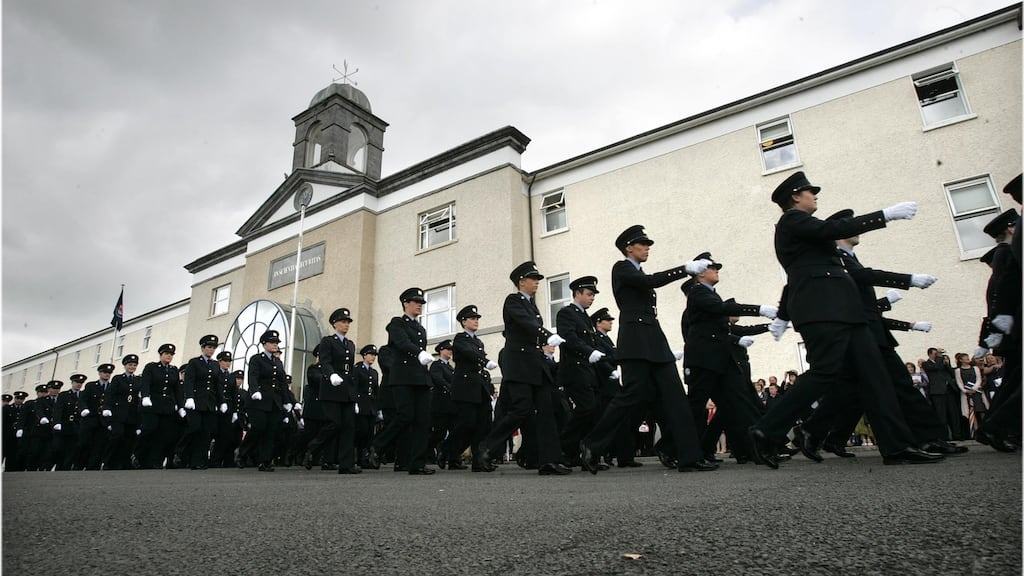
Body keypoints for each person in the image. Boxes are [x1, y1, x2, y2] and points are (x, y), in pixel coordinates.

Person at [750, 171, 941, 467]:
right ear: (795, 197)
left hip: (845, 311)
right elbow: (828, 235)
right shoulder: (792, 220)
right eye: (809, 192)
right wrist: (884, 215)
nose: (815, 196)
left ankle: (896, 446)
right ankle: (767, 428)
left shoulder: (807, 232)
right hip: (822, 310)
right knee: (825, 373)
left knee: (875, 378)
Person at [581, 225, 718, 473]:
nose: (647, 248)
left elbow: (648, 282)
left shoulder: (638, 271)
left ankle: (689, 456)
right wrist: (684, 269)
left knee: (676, 397)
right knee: (629, 395)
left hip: (654, 339)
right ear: (628, 247)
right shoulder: (621, 268)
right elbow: (649, 281)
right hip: (635, 340)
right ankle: (591, 445)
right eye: (642, 244)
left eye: (648, 244)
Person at [680, 252, 777, 464]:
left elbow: (724, 325)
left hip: (719, 361)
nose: (716, 270)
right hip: (704, 362)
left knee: (737, 404)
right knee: (696, 408)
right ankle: (679, 452)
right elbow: (722, 310)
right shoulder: (698, 293)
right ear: (699, 273)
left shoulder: (710, 293)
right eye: (712, 267)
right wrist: (760, 309)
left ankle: (758, 449)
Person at [478, 262, 571, 476]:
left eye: (538, 278)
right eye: (533, 278)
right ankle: (487, 447)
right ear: (522, 281)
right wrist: (547, 334)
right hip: (519, 363)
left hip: (534, 363)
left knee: (546, 410)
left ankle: (549, 460)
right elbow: (526, 323)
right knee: (521, 409)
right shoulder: (514, 301)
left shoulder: (530, 304)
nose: (537, 282)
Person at [368, 289, 436, 475]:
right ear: (406, 303)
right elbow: (401, 342)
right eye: (416, 301)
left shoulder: (421, 328)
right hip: (403, 377)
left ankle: (417, 464)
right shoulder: (396, 324)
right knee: (405, 416)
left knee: (423, 421)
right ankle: (377, 445)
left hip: (420, 378)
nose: (419, 305)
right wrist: (419, 352)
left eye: (421, 302)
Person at [556, 276, 606, 468]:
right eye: (589, 294)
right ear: (577, 294)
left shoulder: (585, 317)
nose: (592, 298)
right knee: (587, 409)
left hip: (588, 372)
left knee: (593, 412)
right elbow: (569, 338)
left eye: (593, 295)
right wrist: (589, 351)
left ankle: (585, 455)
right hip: (574, 371)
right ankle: (565, 446)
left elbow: (594, 343)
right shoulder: (566, 314)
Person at [305, 308, 360, 474]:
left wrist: (354, 396)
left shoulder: (350, 344)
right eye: (343, 322)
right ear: (335, 324)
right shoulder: (327, 341)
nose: (346, 325)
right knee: (335, 423)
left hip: (346, 390)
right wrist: (331, 375)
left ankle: (346, 465)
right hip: (332, 388)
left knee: (349, 427)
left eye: (348, 322)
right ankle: (312, 448)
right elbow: (325, 361)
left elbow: (350, 370)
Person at [447, 305, 498, 471]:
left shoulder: (478, 341)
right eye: (472, 318)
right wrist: (485, 361)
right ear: (463, 321)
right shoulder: (460, 339)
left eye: (477, 318)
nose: (476, 321)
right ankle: (447, 450)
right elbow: (469, 353)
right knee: (467, 423)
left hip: (479, 388)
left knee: (483, 425)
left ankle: (479, 461)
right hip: (465, 387)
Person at [246, 330, 288, 472]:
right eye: (272, 342)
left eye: (277, 343)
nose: (275, 345)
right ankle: (243, 451)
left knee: (271, 431)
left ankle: (265, 461)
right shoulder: (257, 359)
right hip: (260, 399)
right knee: (259, 427)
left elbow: (282, 383)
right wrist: (254, 390)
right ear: (264, 344)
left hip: (275, 401)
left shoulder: (277, 361)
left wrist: (287, 400)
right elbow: (253, 376)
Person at [181, 335, 222, 470]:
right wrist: (189, 397)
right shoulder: (194, 362)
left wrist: (220, 401)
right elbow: (189, 381)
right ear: (203, 348)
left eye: (213, 348)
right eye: (209, 347)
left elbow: (217, 385)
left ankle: (201, 460)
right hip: (196, 402)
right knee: (195, 429)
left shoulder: (215, 364)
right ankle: (183, 454)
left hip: (210, 403)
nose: (211, 350)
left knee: (206, 433)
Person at [139, 344, 180, 469]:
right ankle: (140, 457)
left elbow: (176, 389)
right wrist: (145, 396)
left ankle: (156, 460)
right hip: (153, 405)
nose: (169, 356)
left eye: (171, 354)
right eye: (167, 353)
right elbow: (145, 383)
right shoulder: (151, 367)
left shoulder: (174, 370)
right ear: (161, 354)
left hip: (167, 407)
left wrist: (179, 405)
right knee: (149, 431)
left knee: (163, 435)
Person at [103, 356, 141, 470]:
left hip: (132, 414)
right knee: (117, 437)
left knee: (129, 439)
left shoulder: (138, 380)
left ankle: (124, 462)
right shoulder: (118, 379)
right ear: (125, 365)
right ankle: (108, 462)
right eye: (130, 365)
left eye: (134, 365)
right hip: (119, 413)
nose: (132, 367)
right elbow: (110, 394)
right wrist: (107, 408)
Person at [77, 363, 114, 470]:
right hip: (90, 419)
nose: (107, 374)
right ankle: (79, 464)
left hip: (103, 421)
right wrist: (84, 409)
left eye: (109, 373)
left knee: (99, 444)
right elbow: (82, 399)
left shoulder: (112, 387)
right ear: (99, 373)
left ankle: (93, 466)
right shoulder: (91, 386)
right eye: (105, 372)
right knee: (84, 443)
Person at [209, 356, 242, 469]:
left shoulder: (231, 377)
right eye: (225, 361)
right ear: (219, 362)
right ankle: (211, 460)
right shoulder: (215, 374)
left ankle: (218, 460)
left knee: (224, 436)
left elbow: (233, 394)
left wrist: (235, 411)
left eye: (229, 361)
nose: (228, 364)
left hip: (228, 408)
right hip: (216, 407)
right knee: (212, 434)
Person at [920, 347, 959, 441]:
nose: (937, 355)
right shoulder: (926, 364)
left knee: (954, 414)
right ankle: (944, 436)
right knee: (942, 415)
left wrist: (947, 364)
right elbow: (935, 367)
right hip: (938, 392)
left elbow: (952, 373)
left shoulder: (942, 362)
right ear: (930, 354)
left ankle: (957, 435)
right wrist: (940, 358)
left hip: (949, 390)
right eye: (935, 353)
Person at [428, 339, 457, 466]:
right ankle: (426, 451)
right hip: (440, 404)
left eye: (451, 350)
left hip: (451, 404)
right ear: (441, 351)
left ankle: (453, 459)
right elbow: (438, 379)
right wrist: (450, 388)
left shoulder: (450, 367)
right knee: (439, 432)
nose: (450, 352)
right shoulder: (436, 365)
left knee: (455, 432)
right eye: (448, 349)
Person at [353, 345, 380, 469]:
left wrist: (378, 407)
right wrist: (355, 403)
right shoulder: (358, 369)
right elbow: (355, 387)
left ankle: (366, 458)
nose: (373, 357)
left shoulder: (374, 372)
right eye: (371, 354)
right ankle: (358, 457)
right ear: (364, 355)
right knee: (361, 432)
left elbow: (375, 390)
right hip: (361, 405)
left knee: (370, 433)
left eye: (374, 355)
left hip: (371, 406)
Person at [953, 353, 988, 439]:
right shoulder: (958, 371)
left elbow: (978, 379)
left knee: (981, 410)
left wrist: (974, 389)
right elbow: (959, 382)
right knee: (971, 412)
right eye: (965, 358)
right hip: (966, 394)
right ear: (961, 360)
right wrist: (965, 390)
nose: (968, 359)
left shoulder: (975, 368)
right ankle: (975, 431)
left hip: (976, 392)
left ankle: (985, 429)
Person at [49, 380, 78, 470]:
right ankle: (58, 465)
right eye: (77, 382)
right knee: (59, 448)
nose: (79, 384)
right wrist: (57, 422)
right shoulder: (64, 395)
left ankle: (66, 467)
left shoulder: (81, 395)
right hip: (64, 425)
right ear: (72, 383)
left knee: (72, 448)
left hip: (75, 425)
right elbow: (58, 409)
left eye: (81, 383)